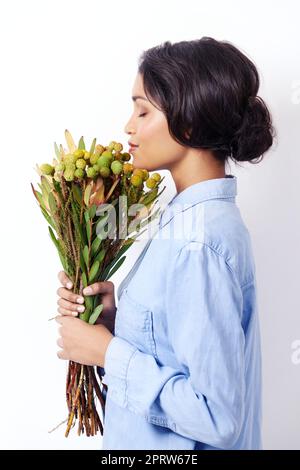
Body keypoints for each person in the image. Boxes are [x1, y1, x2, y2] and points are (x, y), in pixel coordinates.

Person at [55, 37, 276, 450]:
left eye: (143, 110)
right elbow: (182, 351)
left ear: (188, 123)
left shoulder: (199, 241)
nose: (128, 126)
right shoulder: (189, 220)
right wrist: (114, 325)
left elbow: (217, 417)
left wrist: (109, 355)